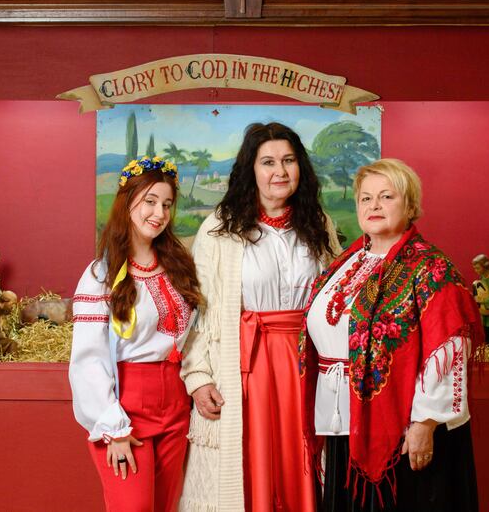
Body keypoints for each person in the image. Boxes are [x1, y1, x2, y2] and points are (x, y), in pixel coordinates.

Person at [299, 158, 482, 512]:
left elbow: (450, 348)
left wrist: (425, 422)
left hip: (403, 426)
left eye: (386, 196)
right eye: (365, 198)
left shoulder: (431, 267)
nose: (374, 206)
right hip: (344, 419)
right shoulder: (346, 262)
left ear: (410, 206)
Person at [179, 122, 341, 512]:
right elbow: (198, 310)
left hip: (306, 364)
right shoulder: (220, 229)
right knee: (249, 463)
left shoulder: (319, 224)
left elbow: (338, 298)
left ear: (300, 167)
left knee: (303, 461)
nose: (279, 172)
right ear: (250, 169)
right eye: (268, 162)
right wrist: (198, 377)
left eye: (288, 160)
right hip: (245, 365)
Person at [68, 157, 202, 512]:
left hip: (176, 402)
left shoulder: (178, 267)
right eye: (150, 201)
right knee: (135, 507)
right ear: (127, 202)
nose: (159, 213)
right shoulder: (100, 275)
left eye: (167, 204)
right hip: (127, 406)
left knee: (166, 506)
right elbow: (88, 358)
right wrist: (113, 427)